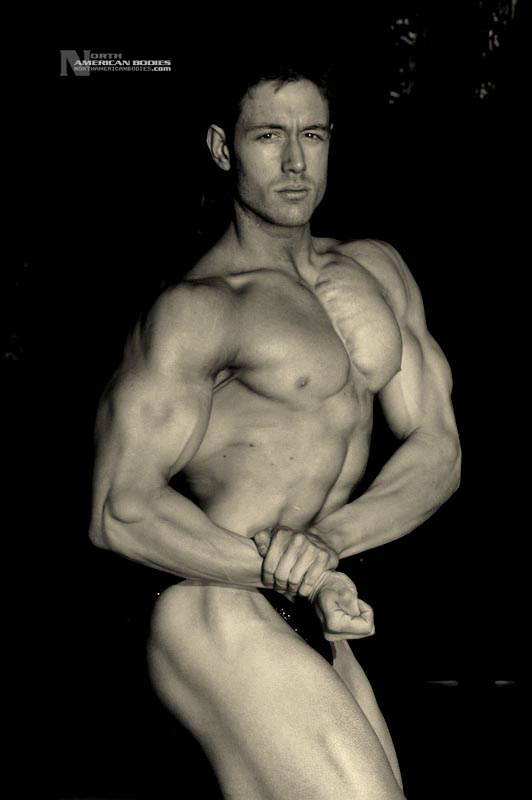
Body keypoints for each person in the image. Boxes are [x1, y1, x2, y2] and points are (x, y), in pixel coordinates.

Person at [89, 62, 461, 800]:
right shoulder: (201, 308)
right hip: (210, 600)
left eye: (312, 135)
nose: (295, 161)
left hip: (315, 599)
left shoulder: (378, 271)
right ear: (222, 148)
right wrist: (286, 569)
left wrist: (327, 546)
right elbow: (118, 512)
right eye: (268, 137)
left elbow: (438, 451)